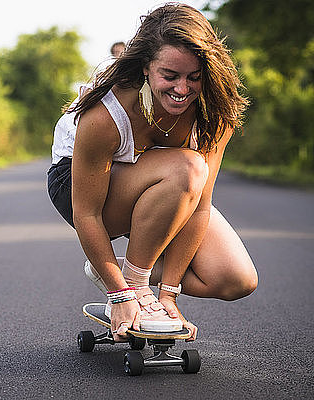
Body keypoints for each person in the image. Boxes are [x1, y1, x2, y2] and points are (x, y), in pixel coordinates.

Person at [47, 3, 258, 342]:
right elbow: (85, 213)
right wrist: (121, 295)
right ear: (146, 67)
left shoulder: (215, 115)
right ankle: (132, 280)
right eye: (169, 76)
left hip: (169, 184)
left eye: (194, 77)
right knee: (187, 166)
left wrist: (169, 294)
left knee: (233, 278)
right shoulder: (105, 114)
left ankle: (123, 267)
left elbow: (200, 206)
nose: (182, 89)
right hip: (79, 186)